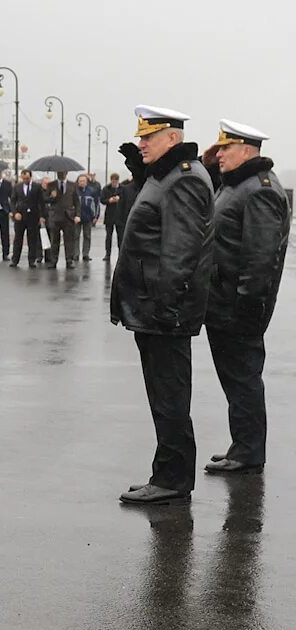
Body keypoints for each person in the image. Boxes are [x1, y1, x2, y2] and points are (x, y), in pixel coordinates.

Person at [113, 106, 214, 505]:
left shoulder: (185, 179)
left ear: (172, 138)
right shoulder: (169, 176)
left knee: (170, 395)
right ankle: (166, 473)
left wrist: (167, 306)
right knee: (163, 395)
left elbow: (181, 251)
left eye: (147, 138)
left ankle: (173, 480)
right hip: (155, 307)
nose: (141, 144)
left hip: (164, 311)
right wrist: (142, 174)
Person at [201, 120, 288, 475]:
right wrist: (210, 163)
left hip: (239, 307)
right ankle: (243, 445)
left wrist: (247, 307)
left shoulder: (260, 190)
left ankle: (250, 452)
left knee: (244, 379)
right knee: (235, 379)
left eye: (226, 148)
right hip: (222, 301)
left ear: (248, 150)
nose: (219, 153)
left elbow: (260, 257)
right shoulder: (237, 185)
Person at [44, 170, 80, 268]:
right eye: (59, 172)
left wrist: (77, 215)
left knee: (69, 240)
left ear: (67, 173)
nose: (61, 174)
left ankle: (69, 260)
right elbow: (45, 199)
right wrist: (52, 196)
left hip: (69, 216)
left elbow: (77, 202)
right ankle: (53, 260)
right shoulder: (51, 185)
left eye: (63, 172)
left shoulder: (73, 185)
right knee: (54, 240)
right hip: (55, 216)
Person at [9, 168, 43, 268]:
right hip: (20, 217)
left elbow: (41, 202)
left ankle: (32, 260)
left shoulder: (37, 187)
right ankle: (15, 260)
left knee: (32, 239)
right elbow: (12, 201)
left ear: (30, 177)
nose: (25, 180)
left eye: (27, 178)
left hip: (33, 216)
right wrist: (15, 213)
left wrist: (42, 216)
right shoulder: (17, 187)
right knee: (18, 239)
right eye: (23, 178)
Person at [99, 172, 125, 262]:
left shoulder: (123, 188)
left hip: (120, 215)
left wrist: (119, 199)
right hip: (109, 215)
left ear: (118, 180)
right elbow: (102, 200)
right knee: (108, 236)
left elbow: (126, 199)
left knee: (120, 236)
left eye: (116, 181)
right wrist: (109, 200)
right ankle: (107, 254)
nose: (114, 183)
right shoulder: (106, 188)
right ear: (111, 180)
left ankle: (121, 254)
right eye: (113, 181)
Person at [77, 173, 101, 262]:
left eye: (83, 181)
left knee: (87, 236)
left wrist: (96, 216)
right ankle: (76, 254)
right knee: (76, 236)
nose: (82, 183)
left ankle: (85, 254)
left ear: (86, 182)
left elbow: (96, 204)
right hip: (77, 217)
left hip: (88, 216)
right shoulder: (75, 191)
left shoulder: (92, 191)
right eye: (80, 181)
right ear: (78, 182)